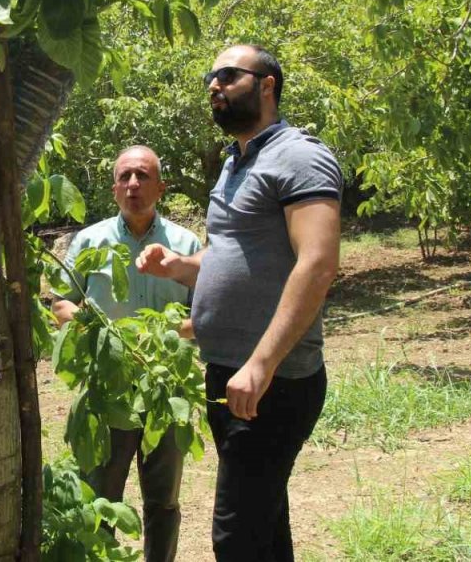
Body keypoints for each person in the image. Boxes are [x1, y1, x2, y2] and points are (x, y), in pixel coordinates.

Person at [137, 45, 342, 562]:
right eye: (211, 77)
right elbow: (230, 255)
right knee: (264, 528)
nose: (214, 85)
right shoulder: (236, 161)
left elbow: (317, 263)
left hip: (273, 380)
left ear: (267, 85)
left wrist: (261, 363)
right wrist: (177, 267)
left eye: (228, 75)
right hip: (228, 372)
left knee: (237, 538)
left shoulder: (299, 156)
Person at [53, 145, 201, 562]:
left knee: (163, 501)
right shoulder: (89, 240)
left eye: (143, 176)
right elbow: (60, 304)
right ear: (114, 188)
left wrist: (164, 335)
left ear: (161, 187)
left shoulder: (186, 243)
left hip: (166, 388)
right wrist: (100, 332)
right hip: (107, 389)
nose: (133, 184)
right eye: (125, 177)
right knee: (99, 498)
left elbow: (203, 315)